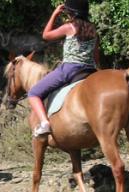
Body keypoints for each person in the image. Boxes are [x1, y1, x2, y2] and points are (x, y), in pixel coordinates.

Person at [28, 0, 99, 137]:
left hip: (70, 69)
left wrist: (54, 14)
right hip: (90, 69)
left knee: (33, 93)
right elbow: (96, 55)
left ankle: (44, 123)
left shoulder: (69, 27)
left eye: (68, 13)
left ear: (72, 13)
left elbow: (46, 35)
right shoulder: (93, 30)